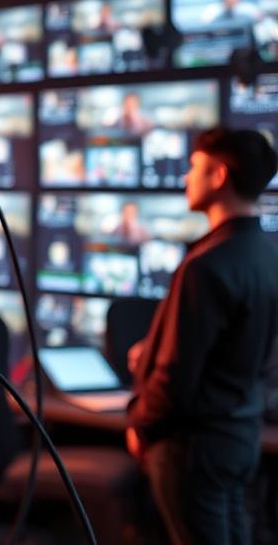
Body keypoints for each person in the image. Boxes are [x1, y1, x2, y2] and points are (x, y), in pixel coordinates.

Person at [126, 127, 278, 545]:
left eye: (194, 168)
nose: (185, 178)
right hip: (240, 436)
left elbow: (178, 376)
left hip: (193, 447)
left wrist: (141, 424)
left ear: (219, 176)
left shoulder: (207, 265)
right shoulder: (266, 256)